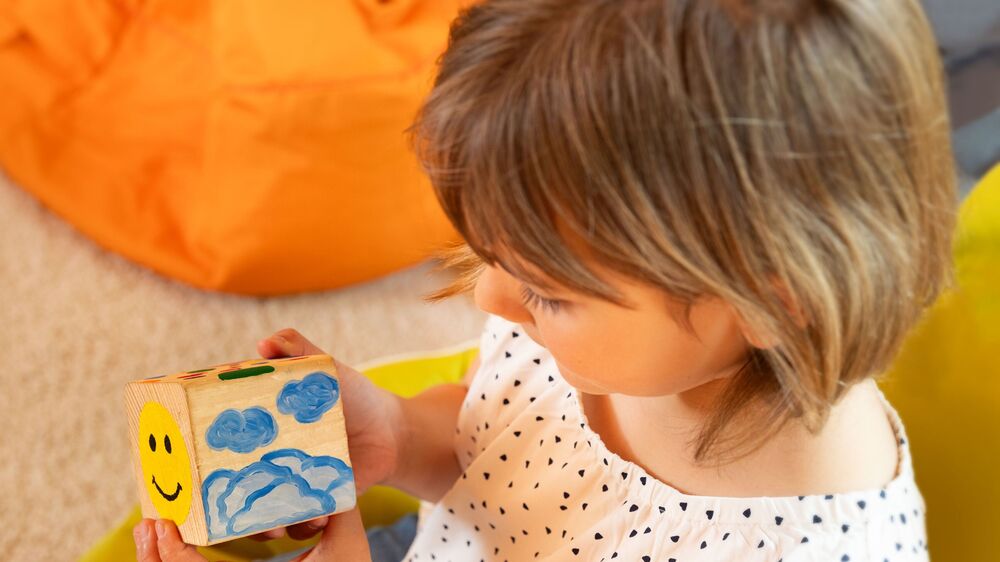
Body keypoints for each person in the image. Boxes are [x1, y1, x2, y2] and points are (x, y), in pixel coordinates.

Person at [133, 0, 956, 560]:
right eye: (493, 257)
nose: (491, 302)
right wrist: (403, 434)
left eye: (546, 292)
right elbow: (506, 444)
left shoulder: (808, 543)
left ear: (770, 299)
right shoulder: (622, 340)